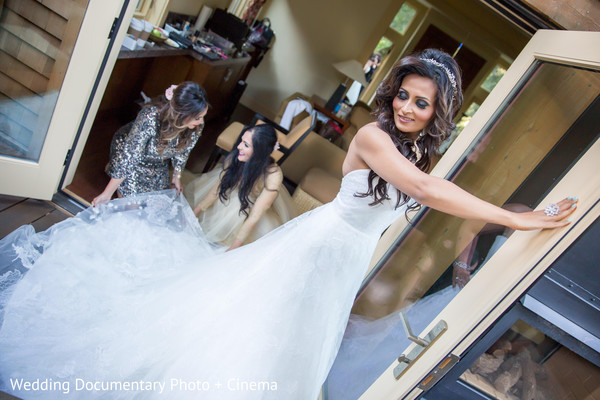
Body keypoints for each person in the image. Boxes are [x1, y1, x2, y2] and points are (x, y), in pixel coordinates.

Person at [0, 49, 577, 400]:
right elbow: (426, 191)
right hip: (316, 248)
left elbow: (426, 186)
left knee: (292, 344)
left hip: (343, 261)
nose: (405, 108)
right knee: (250, 331)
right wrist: (514, 220)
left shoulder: (417, 154)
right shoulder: (375, 138)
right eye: (403, 95)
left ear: (437, 114)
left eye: (421, 103)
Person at [92, 81, 209, 206]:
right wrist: (107, 193)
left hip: (158, 160)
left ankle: (115, 171)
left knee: (158, 206)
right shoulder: (151, 116)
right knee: (131, 206)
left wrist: (176, 176)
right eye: (197, 117)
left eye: (203, 116)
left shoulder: (196, 126)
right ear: (182, 114)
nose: (201, 121)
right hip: (130, 153)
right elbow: (131, 155)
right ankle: (115, 168)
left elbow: (184, 152)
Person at [184, 124, 297, 250]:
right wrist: (196, 211)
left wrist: (234, 247)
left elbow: (255, 214)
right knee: (224, 207)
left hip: (254, 207)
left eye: (246, 145)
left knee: (241, 216)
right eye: (242, 141)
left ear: (260, 152)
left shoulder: (274, 175)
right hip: (232, 195)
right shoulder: (237, 157)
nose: (239, 147)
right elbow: (218, 188)